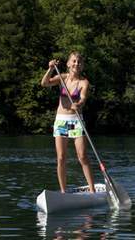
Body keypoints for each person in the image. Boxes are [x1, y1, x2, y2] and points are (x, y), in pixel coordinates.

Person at [40, 51, 95, 193]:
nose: (76, 64)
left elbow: (82, 98)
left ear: (82, 66)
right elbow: (44, 83)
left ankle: (93, 190)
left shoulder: (84, 82)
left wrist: (79, 104)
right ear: (68, 64)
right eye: (74, 61)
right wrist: (51, 68)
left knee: (82, 156)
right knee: (61, 158)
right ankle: (63, 192)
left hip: (76, 121)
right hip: (61, 121)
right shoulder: (62, 78)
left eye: (79, 62)